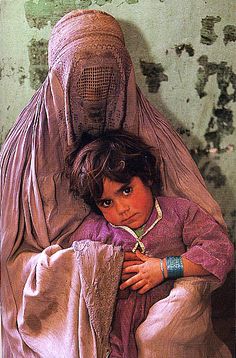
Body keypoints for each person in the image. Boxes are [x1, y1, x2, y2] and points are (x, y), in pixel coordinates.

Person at [0, 9, 231, 357]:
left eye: (107, 77)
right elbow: (10, 264)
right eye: (81, 77)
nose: (94, 94)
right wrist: (84, 265)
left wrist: (168, 268)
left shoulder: (155, 150)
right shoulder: (22, 154)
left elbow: (213, 241)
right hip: (95, 313)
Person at [67, 129, 234, 358]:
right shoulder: (94, 231)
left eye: (126, 190)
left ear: (147, 177)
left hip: (173, 318)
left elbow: (219, 251)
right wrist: (107, 267)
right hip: (120, 330)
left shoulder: (179, 212)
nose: (121, 209)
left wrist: (165, 267)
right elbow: (71, 268)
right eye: (106, 202)